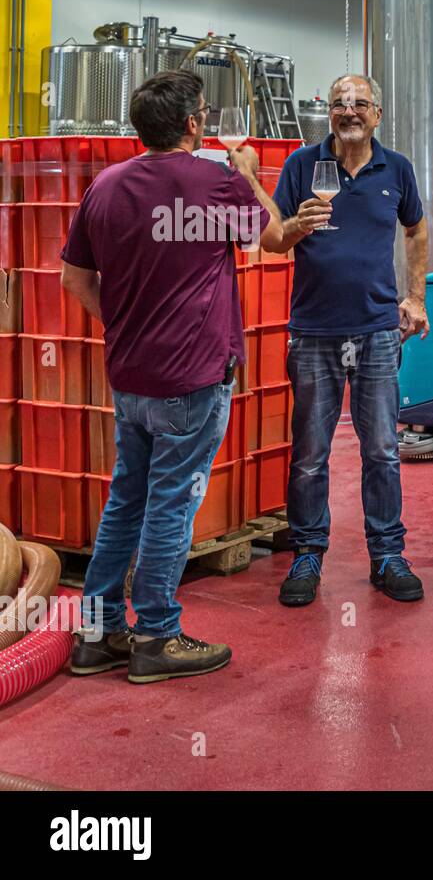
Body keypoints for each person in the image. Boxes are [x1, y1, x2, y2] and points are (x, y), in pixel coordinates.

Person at [63, 70, 282, 683]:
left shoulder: (104, 187)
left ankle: (97, 634)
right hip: (190, 376)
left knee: (126, 499)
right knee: (171, 506)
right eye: (204, 112)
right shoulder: (215, 181)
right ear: (192, 124)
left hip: (129, 376)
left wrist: (127, 322)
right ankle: (157, 635)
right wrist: (250, 177)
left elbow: (74, 280)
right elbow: (275, 239)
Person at [270, 74, 430, 607]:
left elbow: (416, 229)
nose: (349, 111)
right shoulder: (301, 166)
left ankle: (386, 554)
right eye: (339, 103)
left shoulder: (397, 168)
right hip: (314, 330)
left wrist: (416, 297)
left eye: (359, 103)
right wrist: (298, 224)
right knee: (311, 453)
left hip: (378, 330)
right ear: (329, 114)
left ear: (377, 114)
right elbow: (272, 241)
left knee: (382, 449)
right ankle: (308, 553)